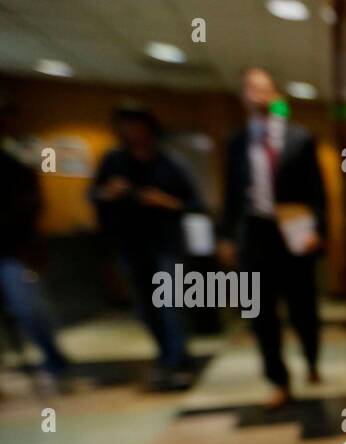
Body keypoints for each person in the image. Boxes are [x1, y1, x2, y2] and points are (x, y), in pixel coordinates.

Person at [218, 67, 328, 409]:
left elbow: (317, 191)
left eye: (264, 89)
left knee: (303, 308)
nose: (258, 95)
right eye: (251, 89)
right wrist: (226, 237)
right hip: (255, 234)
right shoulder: (237, 143)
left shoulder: (299, 138)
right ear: (244, 97)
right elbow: (230, 195)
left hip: (293, 232)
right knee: (260, 313)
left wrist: (318, 230)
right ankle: (279, 380)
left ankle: (311, 359)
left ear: (275, 95)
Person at [92, 102, 198, 390]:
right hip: (130, 244)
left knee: (171, 304)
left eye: (137, 124)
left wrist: (164, 201)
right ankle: (165, 355)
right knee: (146, 305)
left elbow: (193, 203)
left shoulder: (170, 163)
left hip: (166, 243)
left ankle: (178, 359)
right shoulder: (113, 162)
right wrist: (108, 193)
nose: (132, 131)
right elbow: (95, 195)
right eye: (126, 125)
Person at [0, 96, 69, 390]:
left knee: (29, 307)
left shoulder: (18, 158)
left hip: (16, 249)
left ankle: (54, 360)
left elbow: (33, 203)